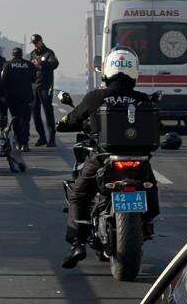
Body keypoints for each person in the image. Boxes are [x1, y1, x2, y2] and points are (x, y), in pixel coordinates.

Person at [57, 48, 159, 269]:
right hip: (139, 160)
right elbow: (157, 127)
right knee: (151, 188)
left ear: (107, 69)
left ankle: (77, 243)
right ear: (134, 71)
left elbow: (73, 118)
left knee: (78, 194)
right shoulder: (142, 99)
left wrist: (63, 122)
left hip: (103, 158)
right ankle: (147, 223)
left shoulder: (96, 97)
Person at [1, 47, 34, 151]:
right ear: (21, 54)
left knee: (15, 119)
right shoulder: (29, 64)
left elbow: (4, 81)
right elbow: (34, 78)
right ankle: (25, 143)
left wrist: (4, 95)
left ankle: (18, 141)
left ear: (12, 54)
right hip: (26, 97)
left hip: (12, 97)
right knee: (25, 120)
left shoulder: (8, 64)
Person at [29, 34, 59, 147]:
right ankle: (42, 137)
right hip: (34, 86)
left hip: (46, 86)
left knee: (48, 111)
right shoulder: (32, 54)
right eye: (34, 44)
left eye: (37, 43)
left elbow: (55, 64)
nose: (35, 45)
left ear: (41, 41)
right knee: (35, 112)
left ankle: (51, 138)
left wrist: (41, 63)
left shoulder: (49, 53)